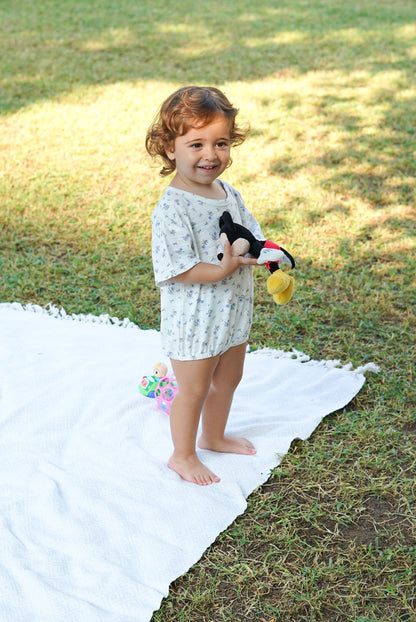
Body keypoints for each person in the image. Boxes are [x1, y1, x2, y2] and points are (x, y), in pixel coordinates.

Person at [146, 86, 263, 486]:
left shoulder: (227, 192)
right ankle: (182, 455)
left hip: (230, 311)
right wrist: (223, 269)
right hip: (194, 318)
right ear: (169, 149)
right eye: (196, 144)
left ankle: (213, 435)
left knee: (228, 380)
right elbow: (177, 268)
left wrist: (262, 250)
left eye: (221, 143)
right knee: (193, 389)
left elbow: (248, 230)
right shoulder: (172, 207)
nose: (210, 155)